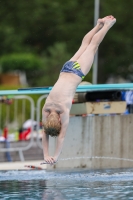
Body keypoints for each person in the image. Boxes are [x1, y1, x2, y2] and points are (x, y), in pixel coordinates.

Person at [42, 15, 116, 164]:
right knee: (84, 45)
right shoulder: (46, 108)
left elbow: (60, 137)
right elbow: (44, 134)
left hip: (77, 73)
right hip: (66, 69)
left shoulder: (63, 111)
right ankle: (98, 25)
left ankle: (107, 25)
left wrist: (55, 157)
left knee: (93, 46)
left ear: (59, 120)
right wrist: (45, 154)